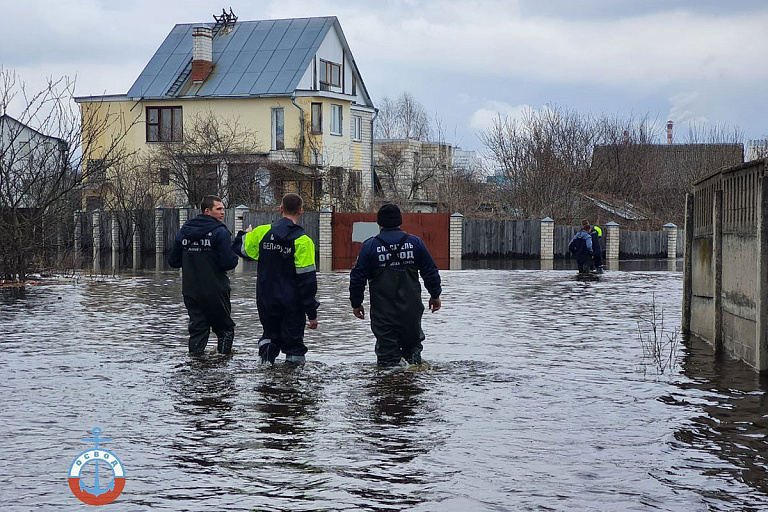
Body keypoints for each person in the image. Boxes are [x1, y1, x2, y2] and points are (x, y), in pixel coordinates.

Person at [349, 204, 442, 367]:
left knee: (387, 361)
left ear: (380, 223)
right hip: (411, 311)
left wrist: (356, 303)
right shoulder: (415, 243)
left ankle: (389, 387)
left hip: (383, 314)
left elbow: (357, 279)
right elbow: (431, 272)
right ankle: (411, 386)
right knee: (413, 355)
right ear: (400, 221)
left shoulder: (369, 246)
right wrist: (435, 295)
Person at [232, 193, 319, 365]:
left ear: (280, 209)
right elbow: (307, 282)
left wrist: (246, 233)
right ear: (301, 211)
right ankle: (292, 382)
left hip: (266, 299)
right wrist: (312, 313)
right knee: (294, 345)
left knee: (270, 335)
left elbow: (238, 247)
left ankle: (266, 364)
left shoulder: (261, 233)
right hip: (292, 303)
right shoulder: (303, 241)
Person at [169, 195, 239, 356]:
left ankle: (196, 365)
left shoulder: (185, 230)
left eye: (223, 209)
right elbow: (228, 263)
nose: (223, 213)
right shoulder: (220, 232)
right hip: (215, 289)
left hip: (191, 290)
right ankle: (223, 364)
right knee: (225, 329)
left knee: (198, 329)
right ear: (207, 211)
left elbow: (173, 261)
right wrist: (234, 249)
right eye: (219, 209)